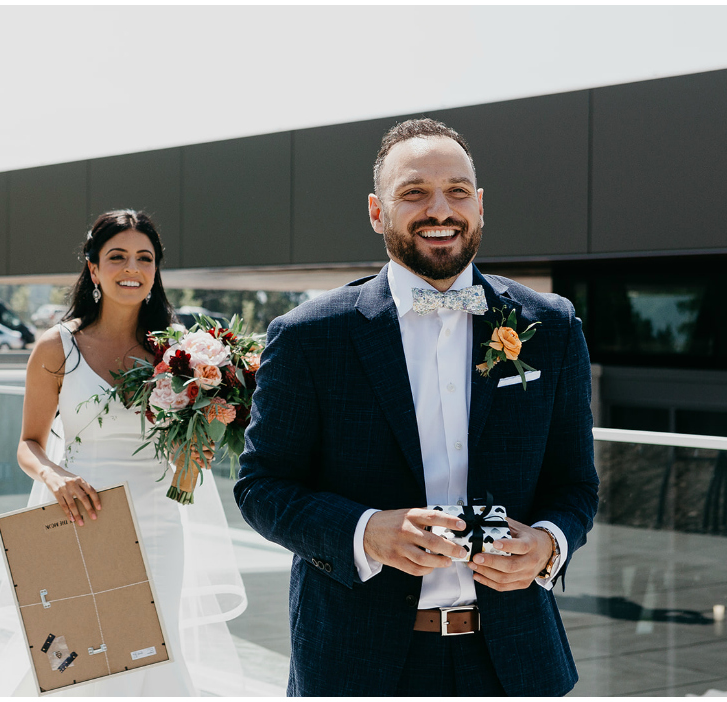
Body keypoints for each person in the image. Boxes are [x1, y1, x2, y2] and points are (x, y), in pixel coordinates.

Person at [234, 119, 599, 696]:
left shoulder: (549, 327)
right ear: (378, 212)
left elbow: (576, 484)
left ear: (479, 207)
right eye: (414, 193)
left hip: (514, 663)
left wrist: (550, 542)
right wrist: (365, 531)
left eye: (457, 191)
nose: (440, 209)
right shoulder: (309, 336)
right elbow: (260, 487)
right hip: (357, 663)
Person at [0, 209, 246, 696]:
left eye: (144, 258)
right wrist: (55, 476)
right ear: (93, 267)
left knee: (154, 650)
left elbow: (188, 441)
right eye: (118, 256)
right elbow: (29, 444)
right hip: (78, 514)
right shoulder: (56, 347)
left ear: (155, 270)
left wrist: (202, 440)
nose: (132, 268)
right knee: (71, 657)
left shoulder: (179, 352)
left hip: (159, 522)